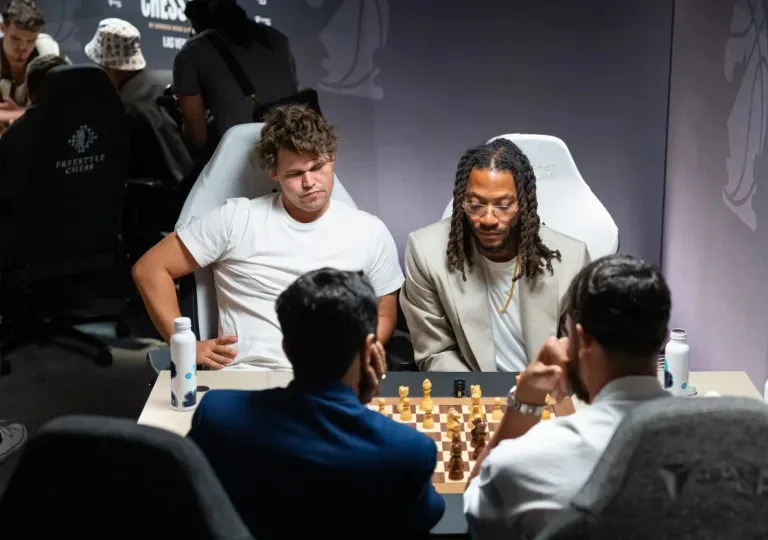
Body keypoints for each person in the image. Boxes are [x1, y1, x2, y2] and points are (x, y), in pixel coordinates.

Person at [132, 104, 404, 371]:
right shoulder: (236, 219)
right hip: (250, 377)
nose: (309, 182)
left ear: (332, 156)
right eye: (295, 173)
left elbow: (384, 312)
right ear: (274, 172)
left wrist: (359, 359)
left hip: (333, 381)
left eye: (317, 167)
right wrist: (187, 346)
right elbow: (149, 269)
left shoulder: (370, 231)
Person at [188, 268, 444, 539]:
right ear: (371, 348)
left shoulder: (217, 413)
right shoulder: (408, 450)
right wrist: (358, 403)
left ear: (286, 347)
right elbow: (432, 516)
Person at [463, 254, 673, 539]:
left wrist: (525, 400)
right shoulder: (722, 436)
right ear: (664, 339)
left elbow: (475, 510)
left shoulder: (522, 463)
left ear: (581, 340)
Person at [400, 138, 590, 372]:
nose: (488, 219)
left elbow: (578, 354)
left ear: (525, 204)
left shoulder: (571, 259)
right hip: (473, 396)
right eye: (476, 204)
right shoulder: (426, 251)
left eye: (503, 205)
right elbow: (436, 351)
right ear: (462, 201)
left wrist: (536, 394)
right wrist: (483, 399)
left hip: (548, 394)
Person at [174, 0, 298, 153]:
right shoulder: (278, 39)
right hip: (292, 149)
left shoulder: (192, 52)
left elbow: (197, 138)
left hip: (241, 159)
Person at [84, 18, 193, 186]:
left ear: (106, 65)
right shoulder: (168, 82)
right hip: (192, 188)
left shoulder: (120, 107)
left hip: (151, 201)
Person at [0, 54, 66, 253]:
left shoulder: (19, 135)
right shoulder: (99, 124)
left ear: (28, 89)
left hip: (26, 243)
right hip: (86, 235)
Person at [0, 0, 59, 125]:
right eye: (15, 38)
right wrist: (30, 113)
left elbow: (60, 108)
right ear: (2, 28)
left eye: (31, 40)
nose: (22, 47)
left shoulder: (48, 53)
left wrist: (17, 113)